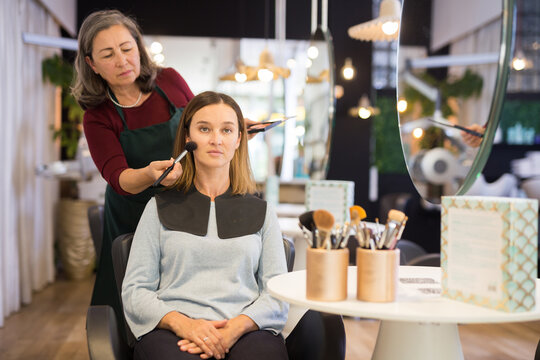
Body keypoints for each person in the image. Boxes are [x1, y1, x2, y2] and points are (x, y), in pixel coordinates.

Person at [122, 91, 289, 360]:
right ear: (188, 138)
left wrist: (234, 328)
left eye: (226, 130)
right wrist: (184, 324)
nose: (215, 139)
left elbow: (277, 294)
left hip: (246, 330)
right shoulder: (158, 208)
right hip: (172, 332)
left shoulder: (263, 212)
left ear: (238, 139)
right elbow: (135, 291)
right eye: (204, 129)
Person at [72, 9, 195, 329]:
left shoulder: (169, 80)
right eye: (108, 54)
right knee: (136, 302)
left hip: (185, 207)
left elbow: (200, 122)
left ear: (139, 48)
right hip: (133, 215)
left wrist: (233, 126)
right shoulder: (97, 116)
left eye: (127, 49)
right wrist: (150, 176)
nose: (122, 60)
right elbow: (119, 176)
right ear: (91, 63)